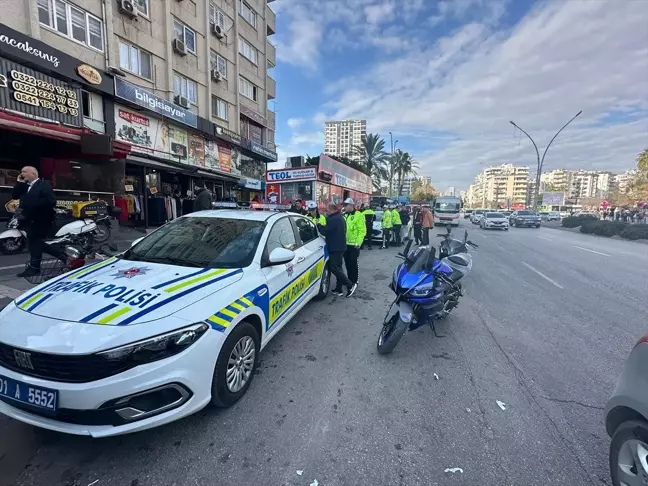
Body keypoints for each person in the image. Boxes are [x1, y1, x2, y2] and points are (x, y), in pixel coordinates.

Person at [12, 166, 57, 277]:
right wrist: (19, 183)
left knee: (34, 243)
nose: (21, 173)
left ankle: (34, 268)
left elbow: (51, 201)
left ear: (33, 174)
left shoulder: (43, 185)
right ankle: (64, 257)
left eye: (24, 172)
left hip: (40, 220)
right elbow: (15, 195)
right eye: (21, 171)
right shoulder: (24, 186)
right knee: (35, 243)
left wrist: (32, 204)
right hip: (27, 219)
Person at [318, 203, 356, 297]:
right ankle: (339, 289)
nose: (326, 212)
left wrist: (318, 225)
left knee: (334, 267)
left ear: (332, 210)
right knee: (338, 267)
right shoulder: (339, 217)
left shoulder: (333, 219)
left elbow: (325, 231)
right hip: (340, 246)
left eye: (327, 210)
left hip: (335, 247)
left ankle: (349, 285)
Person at [342, 198, 365, 287]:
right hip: (345, 244)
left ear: (351, 206)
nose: (344, 207)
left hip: (354, 245)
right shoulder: (344, 215)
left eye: (346, 205)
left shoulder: (358, 215)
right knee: (347, 263)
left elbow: (362, 230)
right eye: (344, 205)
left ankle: (354, 281)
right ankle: (349, 280)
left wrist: (358, 242)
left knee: (353, 263)